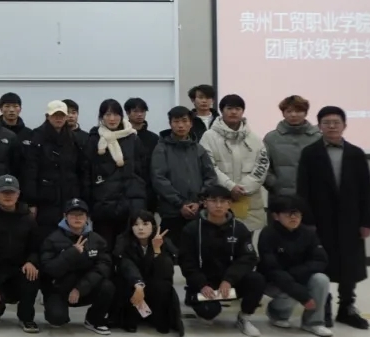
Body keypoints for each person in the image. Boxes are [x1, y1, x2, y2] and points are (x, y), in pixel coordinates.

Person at [297, 105, 370, 330]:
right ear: (319, 126)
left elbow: (366, 190)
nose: (331, 126)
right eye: (326, 123)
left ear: (344, 125)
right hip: (320, 220)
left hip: (351, 220)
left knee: (350, 264)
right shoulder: (310, 153)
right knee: (321, 263)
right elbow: (303, 190)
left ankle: (347, 307)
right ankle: (325, 307)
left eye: (336, 122)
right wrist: (306, 221)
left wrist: (367, 221)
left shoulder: (356, 153)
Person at [178, 184, 265, 337]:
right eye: (213, 201)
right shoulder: (191, 229)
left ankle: (244, 318)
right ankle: (197, 302)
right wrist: (201, 284)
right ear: (205, 203)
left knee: (256, 280)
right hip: (205, 286)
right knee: (209, 312)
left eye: (223, 201)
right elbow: (186, 262)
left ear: (229, 204)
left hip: (229, 285)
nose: (218, 205)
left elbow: (248, 258)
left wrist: (229, 280)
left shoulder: (239, 229)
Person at [258, 195, 332, 337]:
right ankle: (276, 314)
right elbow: (272, 269)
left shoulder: (309, 233)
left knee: (321, 279)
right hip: (275, 281)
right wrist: (303, 296)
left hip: (299, 276)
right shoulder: (268, 234)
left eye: (297, 213)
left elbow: (321, 260)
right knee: (291, 295)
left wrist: (296, 273)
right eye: (288, 214)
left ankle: (313, 322)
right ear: (276, 216)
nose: (293, 218)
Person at [39, 198, 114, 334]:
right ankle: (53, 308)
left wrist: (80, 288)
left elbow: (103, 267)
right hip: (59, 289)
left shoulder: (97, 240)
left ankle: (93, 319)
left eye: (81, 215)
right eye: (73, 215)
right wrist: (71, 253)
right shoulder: (52, 239)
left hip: (84, 289)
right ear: (65, 216)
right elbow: (49, 269)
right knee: (57, 319)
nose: (77, 218)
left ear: (87, 217)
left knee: (107, 286)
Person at [0, 174, 40, 333]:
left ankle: (26, 317)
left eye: (12, 192)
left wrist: (31, 261)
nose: (8, 196)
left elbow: (35, 248)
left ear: (18, 194)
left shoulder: (28, 219)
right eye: (4, 192)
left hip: (19, 270)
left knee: (32, 274)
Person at [200, 94, 270, 231]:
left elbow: (262, 166)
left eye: (237, 109)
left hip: (250, 201)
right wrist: (230, 187)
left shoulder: (255, 139)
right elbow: (209, 166)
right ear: (221, 110)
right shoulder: (209, 137)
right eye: (229, 108)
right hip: (219, 199)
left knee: (246, 239)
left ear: (242, 111)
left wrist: (243, 188)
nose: (233, 112)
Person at [152, 106, 217, 248]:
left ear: (191, 123)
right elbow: (159, 179)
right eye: (176, 121)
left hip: (198, 210)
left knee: (198, 251)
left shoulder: (198, 149)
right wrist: (180, 204)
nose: (180, 125)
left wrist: (199, 202)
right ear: (170, 124)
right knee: (172, 252)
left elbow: (210, 176)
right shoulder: (161, 148)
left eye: (184, 121)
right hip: (172, 212)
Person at [85, 99, 146, 246]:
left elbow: (141, 171)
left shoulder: (132, 138)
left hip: (130, 204)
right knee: (104, 249)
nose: (112, 119)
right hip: (103, 206)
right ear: (101, 117)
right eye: (108, 114)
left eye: (116, 114)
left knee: (128, 249)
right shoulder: (94, 140)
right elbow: (87, 173)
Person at [112, 211, 183, 335]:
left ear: (153, 226)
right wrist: (138, 284)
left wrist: (157, 250)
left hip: (154, 284)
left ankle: (159, 318)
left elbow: (166, 272)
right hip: (133, 283)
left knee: (163, 285)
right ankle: (130, 319)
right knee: (122, 282)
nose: (140, 228)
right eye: (136, 224)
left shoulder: (164, 241)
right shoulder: (123, 241)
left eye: (145, 224)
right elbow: (126, 265)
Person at [24, 101, 90, 232]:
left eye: (62, 115)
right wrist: (31, 202)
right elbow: (30, 172)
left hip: (70, 197)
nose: (59, 118)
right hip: (45, 199)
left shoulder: (74, 139)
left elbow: (81, 170)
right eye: (55, 115)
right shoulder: (36, 137)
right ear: (47, 116)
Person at [263, 95, 321, 197]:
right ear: (283, 113)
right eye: (289, 111)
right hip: (281, 197)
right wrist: (275, 184)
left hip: (313, 196)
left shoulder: (318, 138)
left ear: (305, 113)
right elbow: (263, 167)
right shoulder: (271, 138)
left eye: (298, 111)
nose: (293, 115)